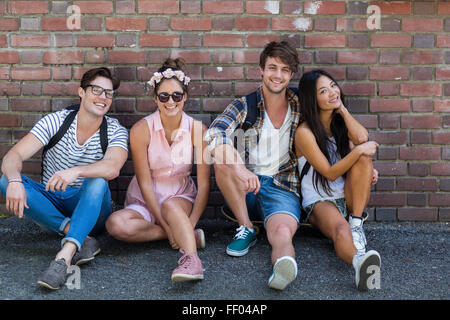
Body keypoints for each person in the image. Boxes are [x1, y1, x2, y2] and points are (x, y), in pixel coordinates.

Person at [0, 67, 129, 290]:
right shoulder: (56, 122)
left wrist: (77, 171)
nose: (103, 98)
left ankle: (64, 256)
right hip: (53, 207)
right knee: (4, 181)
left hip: (92, 208)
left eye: (109, 93)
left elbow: (113, 167)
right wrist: (13, 180)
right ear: (81, 92)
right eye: (97, 90)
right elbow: (14, 155)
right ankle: (81, 238)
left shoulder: (115, 130)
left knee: (98, 180)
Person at [205, 41, 302, 290]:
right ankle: (245, 227)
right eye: (272, 67)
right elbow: (215, 134)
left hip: (283, 186)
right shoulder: (245, 105)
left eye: (284, 69)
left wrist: (358, 160)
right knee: (221, 159)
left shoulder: (301, 105)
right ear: (261, 69)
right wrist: (240, 168)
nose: (277, 75)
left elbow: (330, 133)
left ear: (291, 74)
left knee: (281, 231)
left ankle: (283, 265)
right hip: (246, 186)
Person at [106, 58, 210, 282]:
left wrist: (191, 220)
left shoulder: (197, 130)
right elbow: (144, 182)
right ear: (155, 98)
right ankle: (184, 236)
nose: (170, 101)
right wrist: (168, 228)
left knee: (171, 205)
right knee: (115, 224)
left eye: (176, 95)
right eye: (164, 96)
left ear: (185, 97)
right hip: (145, 199)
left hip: (179, 198)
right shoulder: (141, 130)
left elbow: (204, 185)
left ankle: (192, 260)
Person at [294, 69, 381, 291]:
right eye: (324, 91)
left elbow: (362, 138)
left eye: (333, 85)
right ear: (312, 100)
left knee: (363, 159)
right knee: (340, 230)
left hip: (347, 196)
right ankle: (360, 263)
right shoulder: (305, 132)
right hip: (320, 201)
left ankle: (357, 223)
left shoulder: (339, 123)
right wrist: (359, 153)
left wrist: (341, 108)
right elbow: (330, 173)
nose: (332, 92)